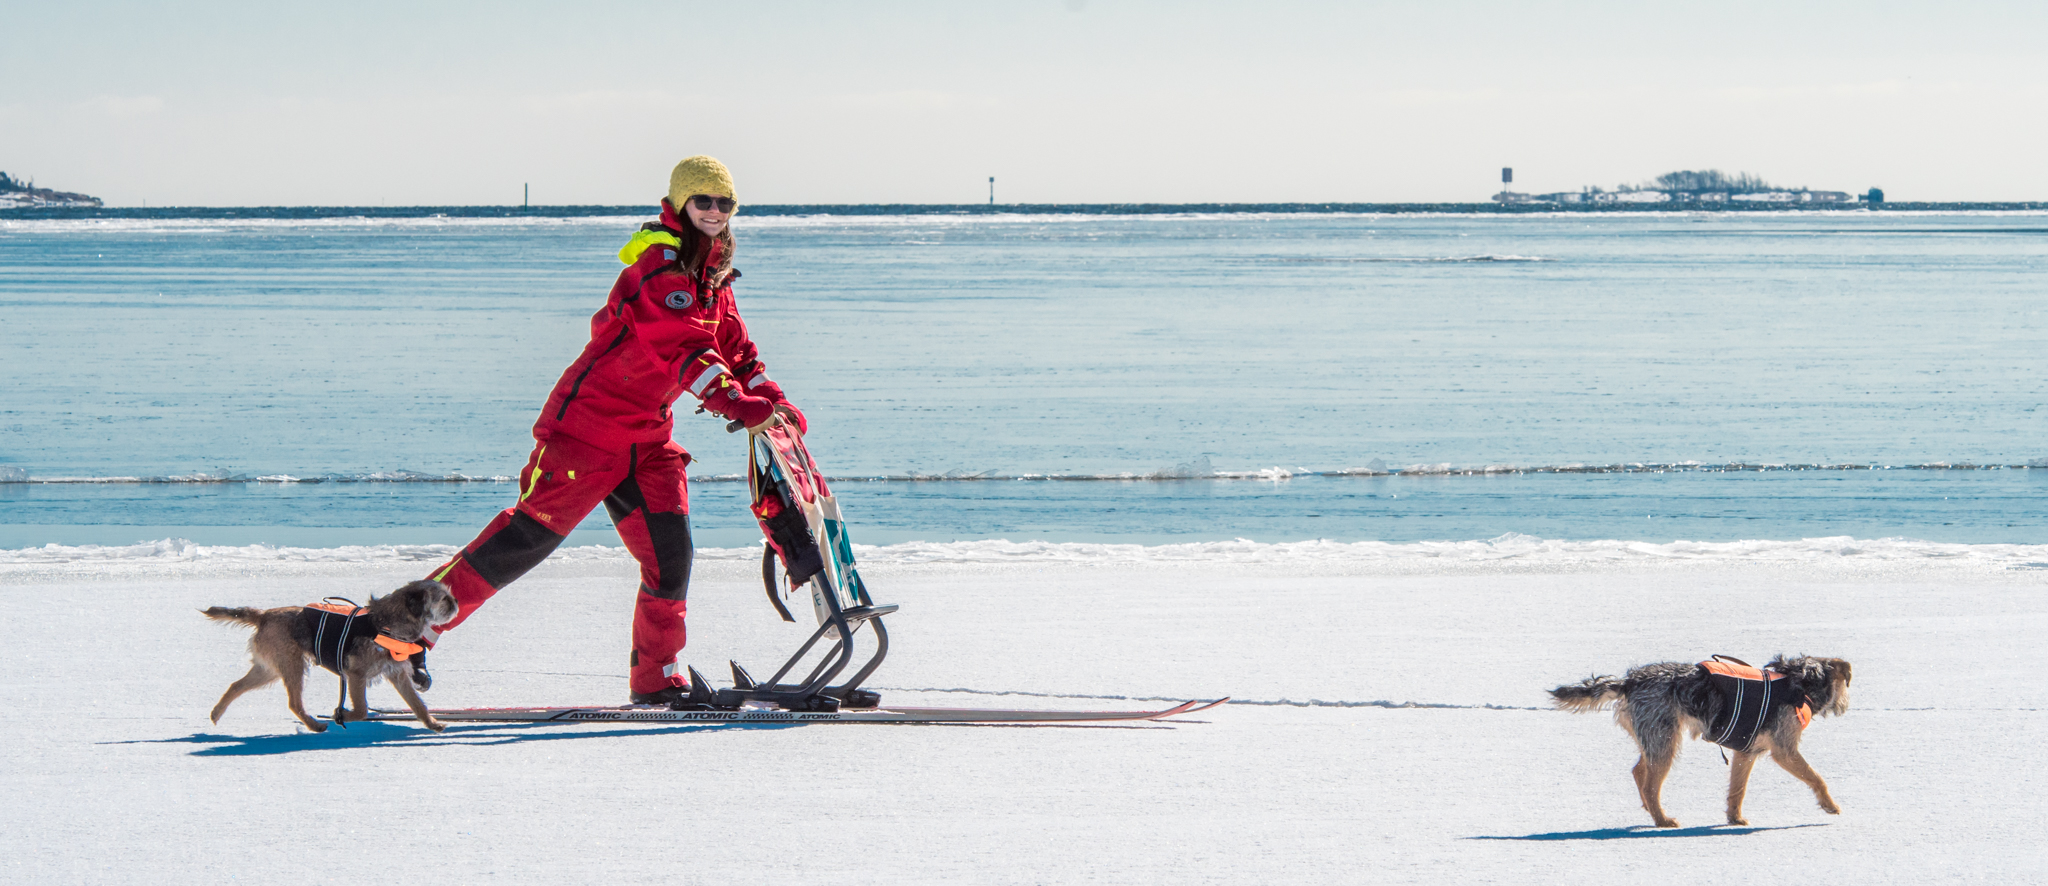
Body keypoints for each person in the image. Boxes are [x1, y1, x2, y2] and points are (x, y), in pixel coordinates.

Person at [414, 155, 804, 705]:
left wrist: (774, 400)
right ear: (679, 205)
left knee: (670, 559)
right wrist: (733, 403)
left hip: (647, 442)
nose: (714, 212)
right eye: (703, 201)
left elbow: (734, 349)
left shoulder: (711, 276)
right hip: (587, 433)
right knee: (524, 541)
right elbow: (682, 347)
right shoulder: (658, 269)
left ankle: (656, 678)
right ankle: (405, 634)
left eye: (724, 203)